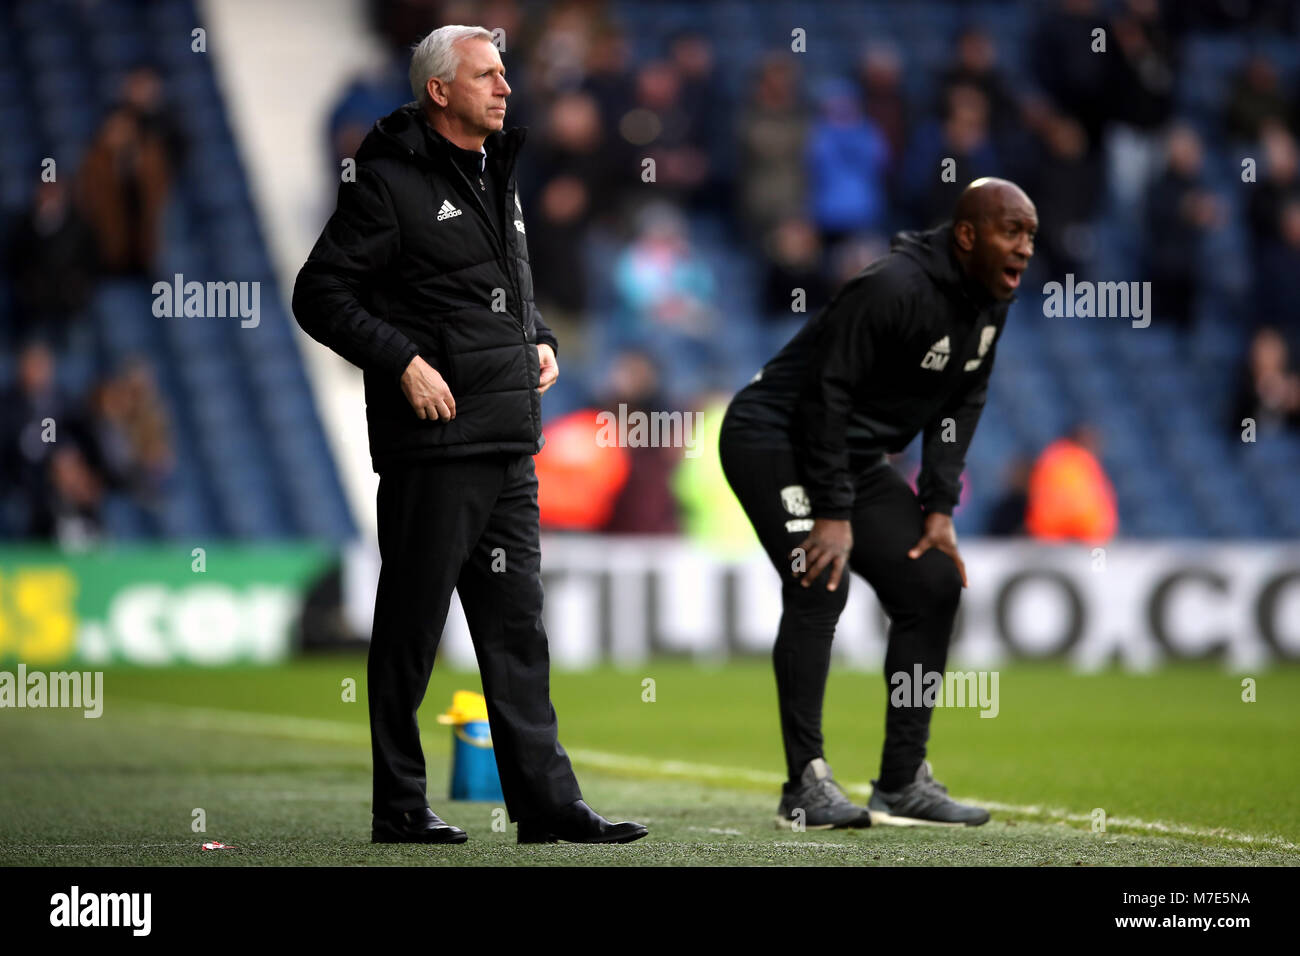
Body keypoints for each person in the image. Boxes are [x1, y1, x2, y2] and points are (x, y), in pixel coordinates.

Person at [292, 24, 646, 847]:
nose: (506, 86)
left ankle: (548, 808)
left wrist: (543, 341)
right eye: (487, 74)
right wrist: (403, 361)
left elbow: (501, 295)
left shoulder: (499, 175)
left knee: (518, 629)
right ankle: (400, 806)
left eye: (505, 72)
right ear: (440, 91)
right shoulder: (385, 185)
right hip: (436, 443)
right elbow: (319, 293)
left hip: (506, 437)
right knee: (412, 627)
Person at [719, 178, 1037, 828]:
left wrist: (939, 506)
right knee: (820, 577)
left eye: (1032, 235)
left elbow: (962, 402)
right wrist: (833, 514)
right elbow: (825, 396)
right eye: (1013, 232)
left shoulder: (991, 303)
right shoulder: (892, 287)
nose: (1026, 249)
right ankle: (804, 785)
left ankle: (901, 782)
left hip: (850, 457)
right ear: (968, 235)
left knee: (933, 583)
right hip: (774, 437)